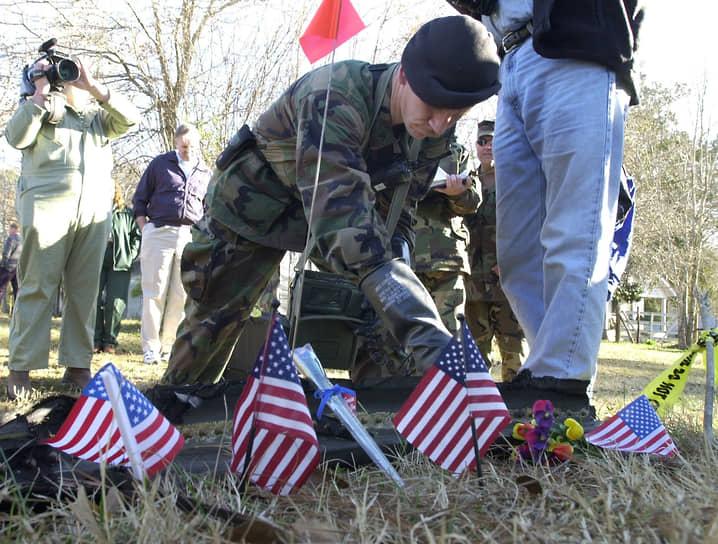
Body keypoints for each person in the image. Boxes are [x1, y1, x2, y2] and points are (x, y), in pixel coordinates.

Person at [161, 15, 501, 385]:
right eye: (434, 108)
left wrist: (397, 267)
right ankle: (172, 420)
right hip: (250, 211)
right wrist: (422, 328)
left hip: (328, 214)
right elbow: (342, 219)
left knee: (387, 306)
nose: (439, 125)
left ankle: (379, 414)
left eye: (455, 116)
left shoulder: (433, 132)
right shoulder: (336, 96)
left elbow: (402, 206)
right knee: (212, 327)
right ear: (404, 76)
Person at [445, 0, 644, 398]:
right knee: (518, 252)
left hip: (577, 48)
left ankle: (563, 382)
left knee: (576, 231)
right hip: (508, 58)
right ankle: (546, 372)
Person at [4, 52, 139, 398]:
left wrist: (94, 87)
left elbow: (131, 119)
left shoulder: (97, 119)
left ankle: (78, 365)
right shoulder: (37, 111)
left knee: (84, 291)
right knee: (37, 286)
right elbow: (16, 137)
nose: (69, 83)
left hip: (93, 210)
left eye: (70, 75)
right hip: (47, 207)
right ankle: (21, 368)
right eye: (63, 77)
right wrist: (39, 94)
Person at [132, 124, 212, 365]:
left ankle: (168, 346)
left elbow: (208, 208)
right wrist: (146, 230)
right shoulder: (160, 164)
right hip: (159, 232)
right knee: (154, 292)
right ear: (176, 143)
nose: (188, 151)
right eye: (184, 147)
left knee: (180, 295)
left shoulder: (205, 172)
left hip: (189, 236)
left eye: (192, 147)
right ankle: (150, 347)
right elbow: (140, 199)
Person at [464, 120, 525, 382]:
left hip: (507, 281)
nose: (487, 147)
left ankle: (520, 415)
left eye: (492, 141)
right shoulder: (465, 181)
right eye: (482, 141)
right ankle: (479, 414)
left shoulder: (515, 180)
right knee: (474, 358)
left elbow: (528, 226)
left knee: (514, 353)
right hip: (473, 283)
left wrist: (511, 262)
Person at [414, 141, 478, 334]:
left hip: (445, 259)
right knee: (398, 338)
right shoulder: (397, 147)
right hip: (400, 257)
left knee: (450, 337)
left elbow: (473, 202)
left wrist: (457, 194)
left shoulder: (457, 153)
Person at [94, 183, 142, 354]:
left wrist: (130, 256)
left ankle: (110, 341)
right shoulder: (93, 209)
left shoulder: (126, 213)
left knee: (116, 303)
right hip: (96, 259)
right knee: (95, 300)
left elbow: (137, 236)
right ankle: (95, 339)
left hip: (120, 261)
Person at [0, 222, 22, 312]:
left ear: (15, 229)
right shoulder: (23, 240)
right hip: (18, 268)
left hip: (8, 268)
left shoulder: (11, 239)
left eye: (10, 229)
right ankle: (16, 311)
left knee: (1, 288)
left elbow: (6, 253)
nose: (9, 231)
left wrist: (2, 264)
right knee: (17, 290)